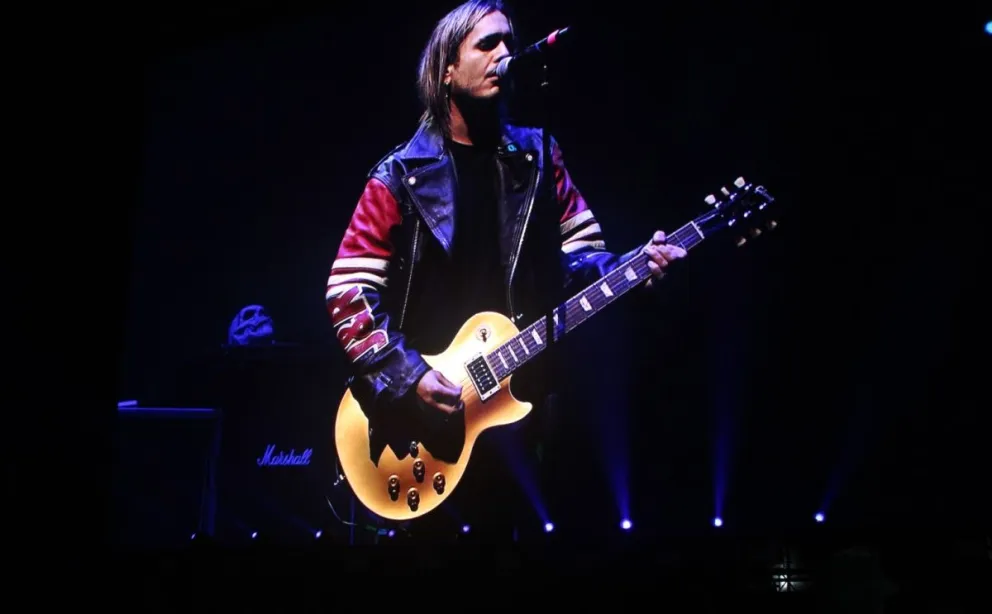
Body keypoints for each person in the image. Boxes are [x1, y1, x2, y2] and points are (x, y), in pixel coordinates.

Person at [324, 0, 686, 541]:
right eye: (486, 44)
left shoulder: (539, 156)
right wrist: (411, 376)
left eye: (509, 43)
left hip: (520, 411)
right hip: (420, 421)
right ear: (447, 68)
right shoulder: (399, 175)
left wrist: (633, 267)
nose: (504, 54)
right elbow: (348, 291)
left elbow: (582, 255)